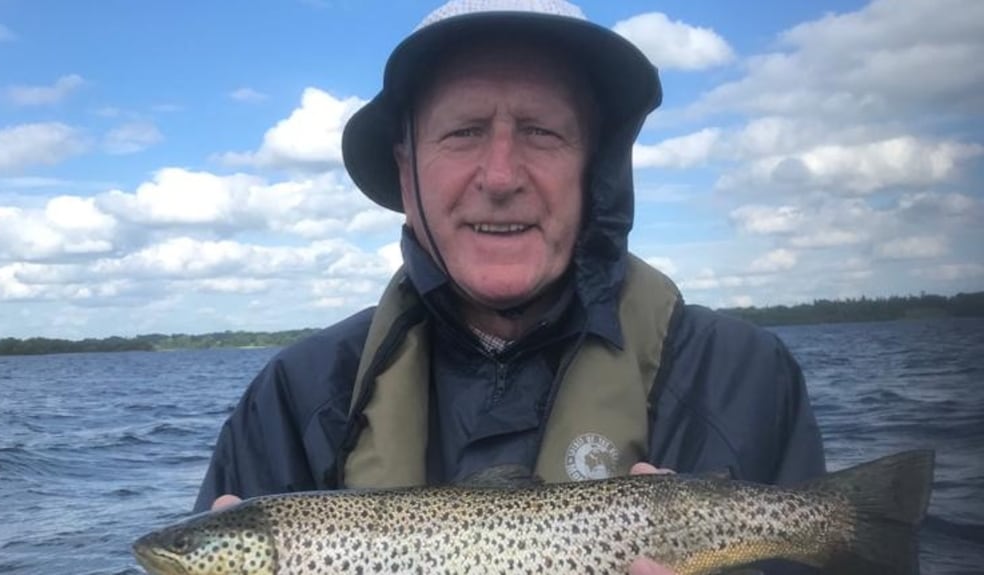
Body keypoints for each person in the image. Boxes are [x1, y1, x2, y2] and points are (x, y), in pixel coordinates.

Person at [194, 1, 826, 573]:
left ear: (595, 170)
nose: (499, 176)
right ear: (406, 175)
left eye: (541, 131)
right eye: (464, 131)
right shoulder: (294, 400)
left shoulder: (745, 377)